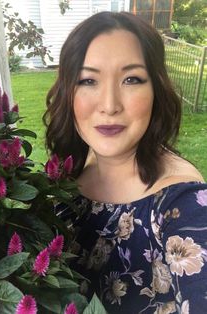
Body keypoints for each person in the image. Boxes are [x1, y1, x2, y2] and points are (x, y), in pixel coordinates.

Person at [43, 11, 207, 314]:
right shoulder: (61, 180)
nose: (109, 105)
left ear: (156, 90)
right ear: (68, 93)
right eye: (88, 80)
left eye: (131, 79)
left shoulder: (186, 206)